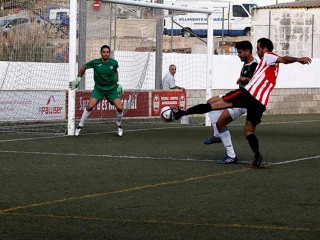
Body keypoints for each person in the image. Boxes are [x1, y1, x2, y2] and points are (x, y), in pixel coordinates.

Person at [171, 38, 312, 168]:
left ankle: (182, 113)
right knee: (248, 131)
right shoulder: (270, 66)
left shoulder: (268, 56)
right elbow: (279, 62)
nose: (257, 51)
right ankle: (257, 156)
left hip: (248, 95)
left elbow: (283, 58)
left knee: (213, 105)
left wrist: (298, 59)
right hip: (260, 103)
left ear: (264, 49)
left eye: (258, 48)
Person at [204, 41, 258, 164]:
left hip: (244, 101)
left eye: (240, 52)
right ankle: (217, 135)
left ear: (247, 52)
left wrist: (246, 79)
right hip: (238, 94)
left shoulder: (255, 66)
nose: (238, 55)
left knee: (221, 123)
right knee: (210, 103)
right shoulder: (246, 63)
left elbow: (257, 83)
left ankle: (231, 156)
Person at [69, 45, 124, 137]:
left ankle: (118, 123)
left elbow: (115, 71)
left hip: (111, 90)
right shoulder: (95, 63)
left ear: (109, 53)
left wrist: (118, 83)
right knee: (89, 106)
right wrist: (78, 79)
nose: (106, 54)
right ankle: (79, 126)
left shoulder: (114, 63)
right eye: (104, 52)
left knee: (120, 108)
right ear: (101, 53)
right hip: (99, 89)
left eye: (107, 52)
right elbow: (84, 67)